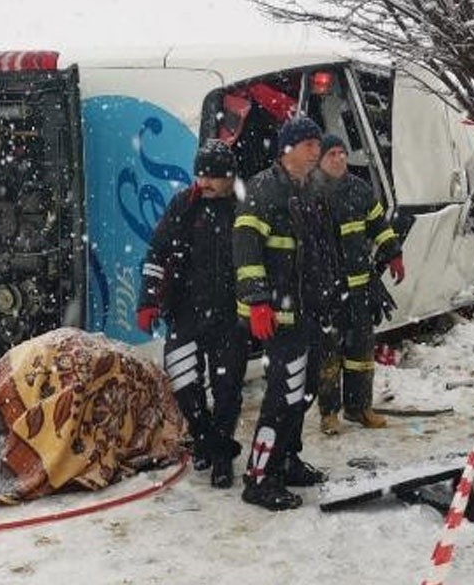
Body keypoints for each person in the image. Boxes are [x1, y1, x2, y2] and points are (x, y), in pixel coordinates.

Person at [234, 116, 341, 511]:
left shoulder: (310, 190)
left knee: (306, 390)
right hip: (280, 316)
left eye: (318, 144)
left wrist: (333, 295)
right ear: (288, 148)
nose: (317, 150)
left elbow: (320, 251)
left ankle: (288, 459)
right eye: (309, 144)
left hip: (309, 314)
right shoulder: (266, 188)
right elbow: (245, 246)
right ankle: (260, 477)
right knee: (283, 396)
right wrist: (259, 301)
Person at [136, 140, 245, 489]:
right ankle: (205, 440)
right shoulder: (183, 205)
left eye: (214, 176)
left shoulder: (244, 209)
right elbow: (156, 253)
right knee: (184, 383)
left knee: (228, 389)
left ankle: (222, 458)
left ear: (230, 177)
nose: (206, 182)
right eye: (201, 174)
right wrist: (147, 301)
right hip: (185, 311)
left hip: (231, 315)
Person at [315, 133, 405, 435]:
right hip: (326, 294)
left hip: (361, 291)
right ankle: (329, 414)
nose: (339, 158)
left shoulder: (360, 189)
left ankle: (359, 408)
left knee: (361, 354)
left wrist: (394, 254)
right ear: (320, 159)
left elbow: (379, 225)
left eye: (342, 152)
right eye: (332, 154)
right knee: (329, 357)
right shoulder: (309, 193)